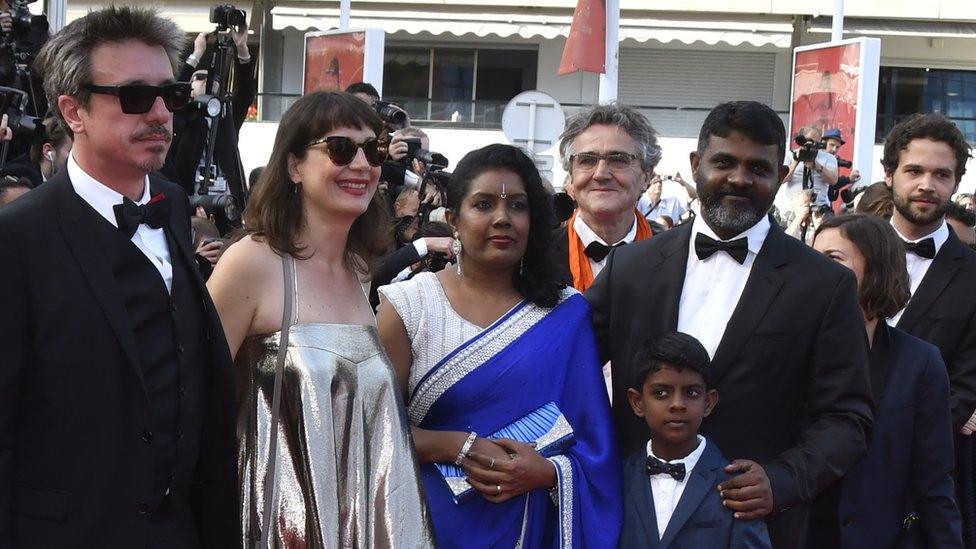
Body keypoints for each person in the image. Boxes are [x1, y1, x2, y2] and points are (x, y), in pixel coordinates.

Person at [0, 7, 239, 547]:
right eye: (134, 97)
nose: (159, 114)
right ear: (73, 111)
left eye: (171, 96)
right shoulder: (16, 239)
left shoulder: (171, 204)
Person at [587, 101, 873, 548]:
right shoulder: (631, 268)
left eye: (757, 167)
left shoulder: (824, 285)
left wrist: (779, 482)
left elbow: (848, 418)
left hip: (753, 531)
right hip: (628, 522)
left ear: (780, 177)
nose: (739, 179)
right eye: (724, 162)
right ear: (696, 165)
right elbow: (565, 364)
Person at [206, 91, 433, 546]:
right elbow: (198, 404)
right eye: (340, 149)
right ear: (294, 167)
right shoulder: (251, 261)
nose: (362, 165)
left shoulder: (359, 270)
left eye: (373, 150)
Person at [376, 143, 622, 547]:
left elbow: (595, 442)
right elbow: (373, 431)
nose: (502, 219)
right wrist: (456, 446)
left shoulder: (565, 313)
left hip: (532, 525)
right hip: (426, 526)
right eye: (484, 205)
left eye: (518, 207)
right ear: (453, 218)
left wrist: (547, 473)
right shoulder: (409, 306)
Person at [809, 214, 962, 548]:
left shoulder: (919, 362)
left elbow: (934, 482)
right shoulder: (790, 351)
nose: (815, 271)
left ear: (876, 268)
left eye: (833, 259)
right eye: (812, 258)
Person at [881, 113, 976, 547]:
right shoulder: (840, 257)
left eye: (942, 174)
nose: (927, 185)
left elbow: (963, 388)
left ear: (956, 184)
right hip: (824, 469)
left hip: (916, 483)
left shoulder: (973, 277)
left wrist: (895, 449)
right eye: (914, 171)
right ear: (889, 175)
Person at [620, 332, 772, 549]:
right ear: (638, 402)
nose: (677, 404)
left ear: (708, 402)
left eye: (691, 393)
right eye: (661, 393)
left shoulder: (737, 487)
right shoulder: (616, 479)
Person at [552, 104, 659, 291]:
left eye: (618, 159)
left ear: (647, 176)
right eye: (587, 160)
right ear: (571, 177)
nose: (601, 174)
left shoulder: (677, 256)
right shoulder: (536, 255)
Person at [161, 24, 255, 232]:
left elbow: (246, 92)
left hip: (227, 204)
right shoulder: (184, 118)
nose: (206, 81)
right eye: (199, 78)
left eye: (209, 78)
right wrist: (197, 54)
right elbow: (172, 95)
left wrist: (242, 49)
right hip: (190, 204)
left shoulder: (226, 116)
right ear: (190, 88)